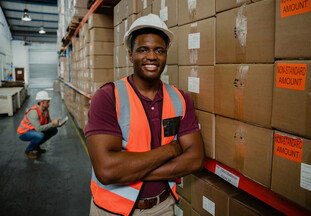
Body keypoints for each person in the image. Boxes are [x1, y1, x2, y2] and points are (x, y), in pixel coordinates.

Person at [85, 14, 205, 216]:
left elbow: (195, 159)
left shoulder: (180, 99)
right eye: (143, 50)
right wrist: (172, 150)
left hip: (162, 208)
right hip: (111, 210)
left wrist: (131, 170)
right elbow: (107, 171)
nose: (151, 57)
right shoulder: (108, 97)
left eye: (159, 50)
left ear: (166, 54)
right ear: (131, 55)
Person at [17, 91, 65, 159]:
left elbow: (49, 123)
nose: (49, 103)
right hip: (24, 133)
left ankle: (36, 145)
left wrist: (59, 124)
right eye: (47, 101)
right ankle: (28, 151)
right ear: (41, 102)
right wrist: (52, 124)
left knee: (54, 130)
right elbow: (39, 129)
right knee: (40, 135)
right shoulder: (34, 112)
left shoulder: (46, 110)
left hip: (34, 131)